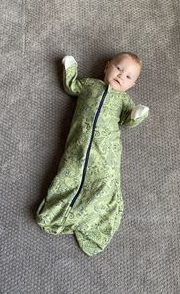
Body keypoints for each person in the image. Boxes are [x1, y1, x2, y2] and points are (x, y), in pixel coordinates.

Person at [36, 52, 150, 256]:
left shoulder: (124, 100)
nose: (121, 76)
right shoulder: (90, 85)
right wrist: (70, 67)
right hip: (77, 146)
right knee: (68, 174)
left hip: (106, 152)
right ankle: (60, 213)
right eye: (118, 68)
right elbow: (71, 86)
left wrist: (137, 114)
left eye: (128, 77)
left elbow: (127, 120)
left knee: (104, 182)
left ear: (133, 85)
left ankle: (91, 218)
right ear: (107, 67)